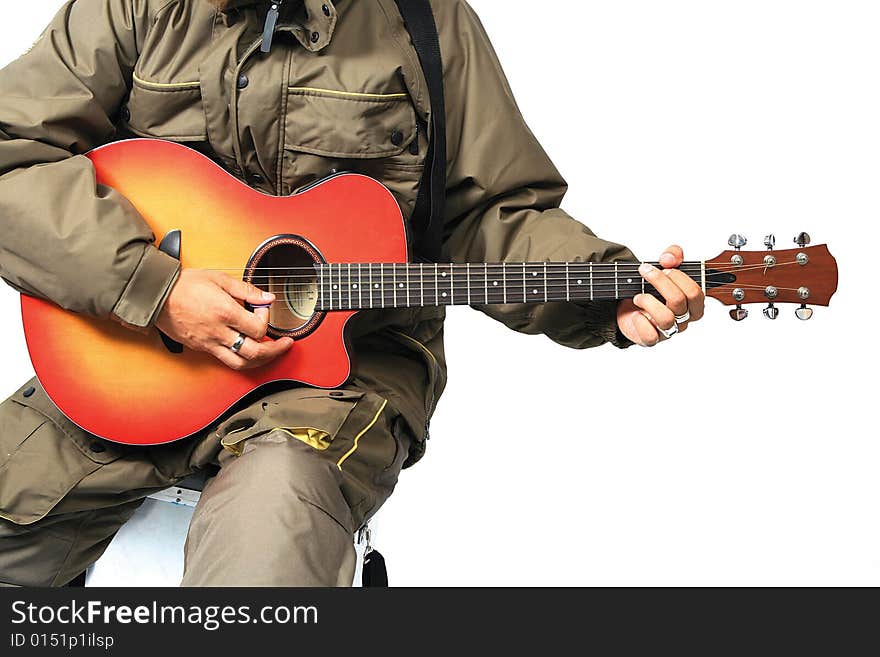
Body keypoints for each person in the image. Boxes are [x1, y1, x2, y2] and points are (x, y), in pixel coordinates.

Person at [0, 0, 704, 587]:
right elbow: (10, 154)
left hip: (336, 380)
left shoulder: (428, 24)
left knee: (269, 543)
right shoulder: (135, 6)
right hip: (125, 368)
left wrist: (602, 288)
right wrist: (156, 287)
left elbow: (492, 212)